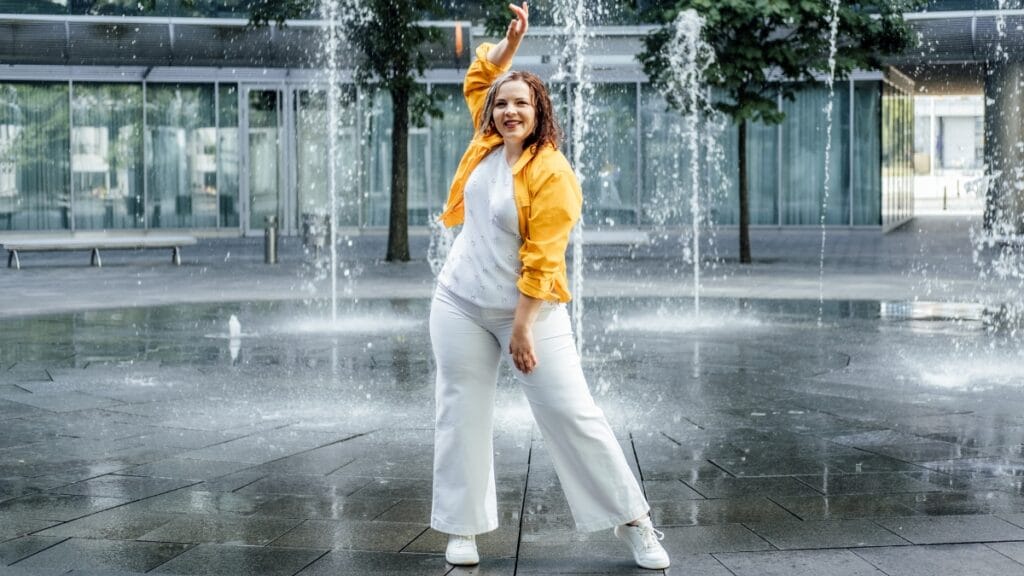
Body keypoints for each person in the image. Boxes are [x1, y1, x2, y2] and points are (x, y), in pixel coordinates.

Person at [429, 2, 670, 571]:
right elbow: (479, 76)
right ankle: (463, 529)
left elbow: (543, 260)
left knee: (570, 412)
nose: (510, 110)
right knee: (460, 409)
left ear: (540, 113)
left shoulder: (552, 172)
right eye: (503, 103)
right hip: (459, 303)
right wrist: (508, 48)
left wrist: (520, 329)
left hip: (530, 314)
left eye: (522, 103)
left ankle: (635, 520)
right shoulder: (486, 144)